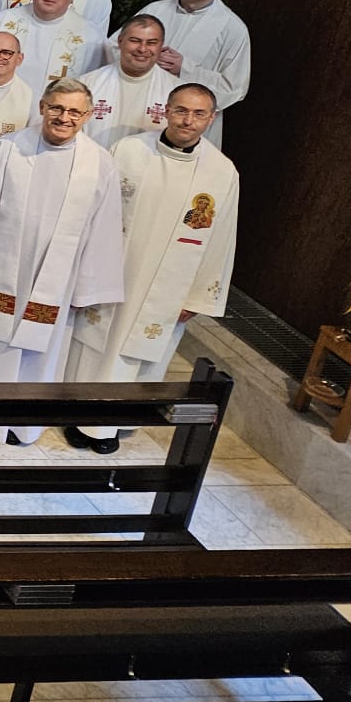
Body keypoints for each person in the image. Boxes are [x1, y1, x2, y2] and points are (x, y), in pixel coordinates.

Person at [0, 76, 123, 446]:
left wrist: (89, 286)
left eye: (74, 111)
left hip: (55, 277)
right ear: (42, 107)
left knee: (35, 348)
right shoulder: (8, 147)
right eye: (56, 107)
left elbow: (104, 228)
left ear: (88, 116)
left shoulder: (99, 163)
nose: (64, 117)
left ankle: (19, 421)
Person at [64, 83, 236, 454]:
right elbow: (94, 213)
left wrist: (197, 295)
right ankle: (75, 412)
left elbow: (221, 239)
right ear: (166, 111)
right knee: (95, 346)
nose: (188, 120)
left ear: (211, 118)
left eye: (198, 113)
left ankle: (114, 422)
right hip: (114, 271)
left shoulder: (222, 174)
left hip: (166, 286)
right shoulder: (128, 150)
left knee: (136, 353)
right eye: (181, 110)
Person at [131, 0, 251, 146]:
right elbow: (115, 47)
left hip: (189, 121)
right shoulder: (154, 11)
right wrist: (144, 56)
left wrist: (185, 69)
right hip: (139, 106)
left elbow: (235, 88)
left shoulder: (232, 28)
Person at [77, 16, 173, 149]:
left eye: (151, 43)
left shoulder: (175, 90)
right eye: (135, 41)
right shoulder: (86, 84)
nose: (142, 49)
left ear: (161, 45)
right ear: (120, 41)